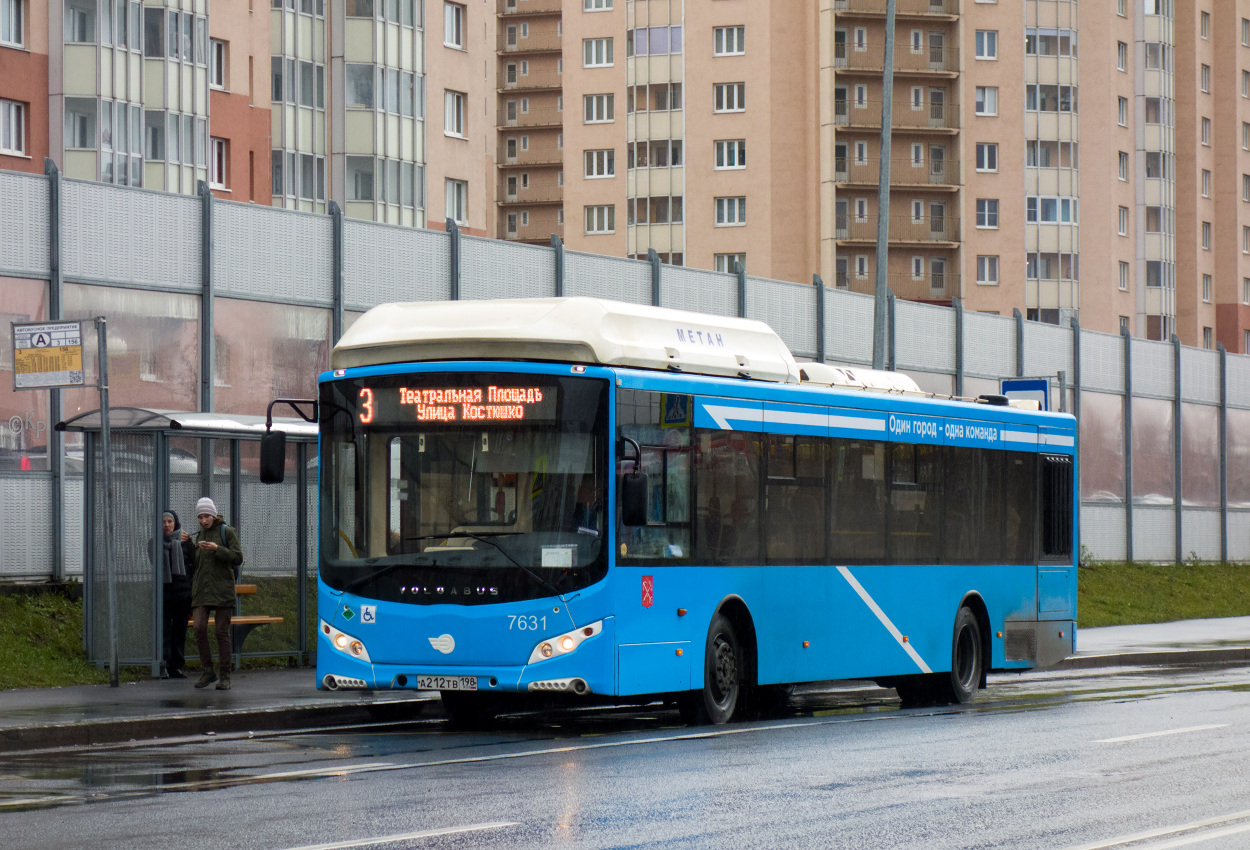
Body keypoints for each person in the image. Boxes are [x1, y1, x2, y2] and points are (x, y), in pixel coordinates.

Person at [189, 497, 243, 690]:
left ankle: (225, 676)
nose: (204, 520)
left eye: (206, 516)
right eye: (200, 517)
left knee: (221, 632)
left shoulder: (226, 532)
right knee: (199, 628)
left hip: (222, 590)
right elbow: (196, 563)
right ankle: (208, 670)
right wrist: (188, 545)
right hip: (202, 590)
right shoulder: (199, 535)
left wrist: (217, 549)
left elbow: (237, 557)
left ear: (213, 514)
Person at [158, 510, 194, 679]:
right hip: (164, 595)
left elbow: (192, 565)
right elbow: (154, 560)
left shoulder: (186, 542)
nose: (166, 525)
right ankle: (163, 665)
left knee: (179, 631)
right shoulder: (155, 543)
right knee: (164, 631)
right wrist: (174, 543)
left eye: (170, 522)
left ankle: (177, 666)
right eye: (164, 522)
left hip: (183, 595)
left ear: (176, 523)